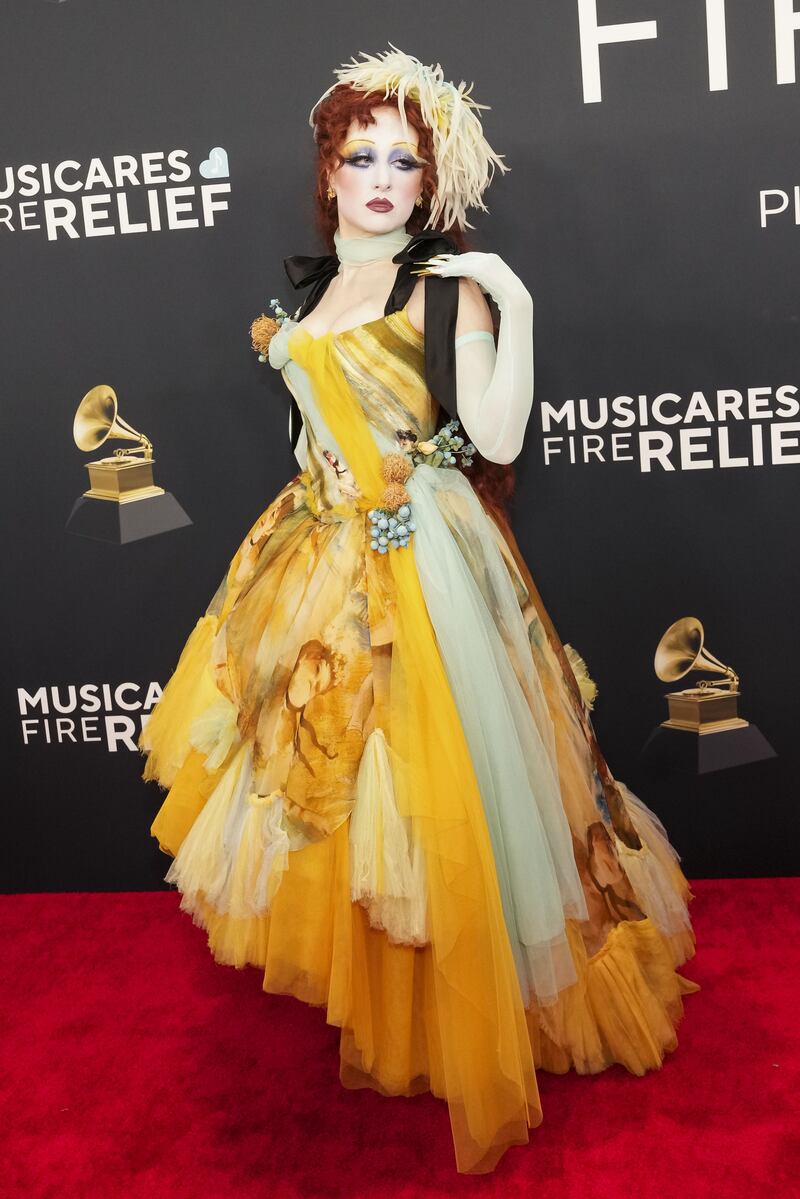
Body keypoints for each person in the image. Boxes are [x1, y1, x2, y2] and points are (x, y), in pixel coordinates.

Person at [138, 45, 700, 1176]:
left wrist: (515, 304)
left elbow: (492, 439)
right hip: (319, 549)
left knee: (445, 779)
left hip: (425, 557)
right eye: (362, 157)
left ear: (426, 182)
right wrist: (311, 502)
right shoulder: (308, 297)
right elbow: (307, 426)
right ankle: (387, 983)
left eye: (404, 160)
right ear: (330, 173)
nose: (382, 177)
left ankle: (474, 1002)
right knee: (341, 786)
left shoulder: (440, 292)